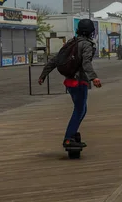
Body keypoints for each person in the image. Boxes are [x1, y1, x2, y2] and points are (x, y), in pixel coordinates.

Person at [38, 19, 102, 149]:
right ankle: (68, 138)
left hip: (69, 81)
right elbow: (86, 63)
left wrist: (43, 75)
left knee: (81, 109)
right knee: (79, 110)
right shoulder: (86, 45)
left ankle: (72, 134)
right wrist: (93, 77)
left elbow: (55, 60)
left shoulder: (71, 42)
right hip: (79, 82)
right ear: (91, 32)